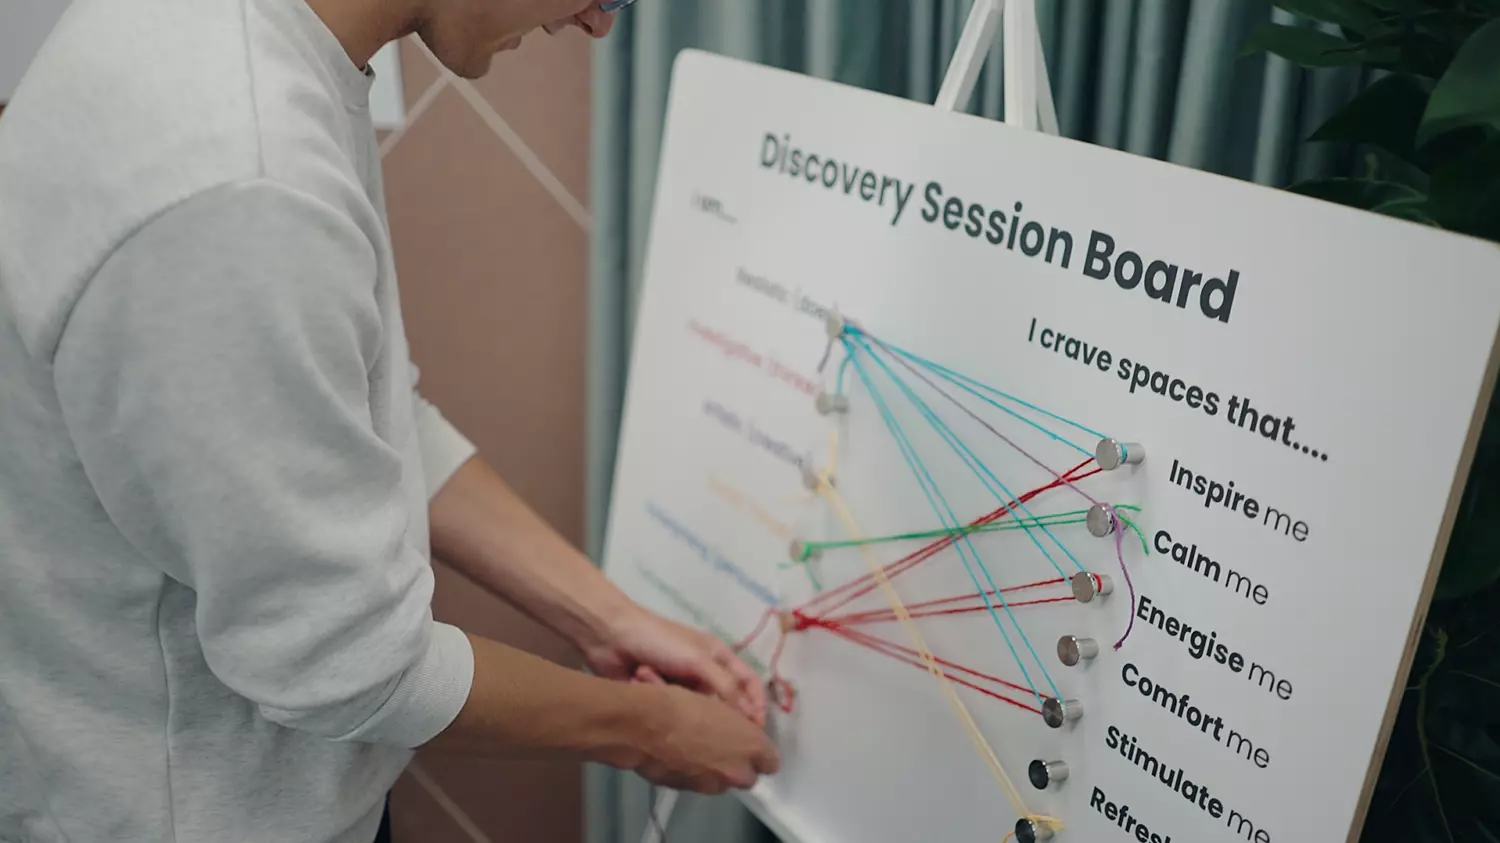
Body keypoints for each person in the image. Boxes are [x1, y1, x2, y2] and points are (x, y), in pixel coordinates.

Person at [0, 0, 779, 841]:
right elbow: (345, 661)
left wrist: (608, 616)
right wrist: (649, 731)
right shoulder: (242, 176)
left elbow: (363, 420)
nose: (599, 23)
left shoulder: (236, 45)